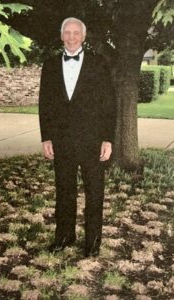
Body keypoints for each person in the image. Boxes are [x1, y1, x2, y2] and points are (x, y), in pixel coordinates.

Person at [39, 17, 116, 257]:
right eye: (67, 33)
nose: (71, 37)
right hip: (62, 140)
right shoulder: (50, 65)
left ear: (84, 36)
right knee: (64, 191)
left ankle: (92, 242)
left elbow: (109, 103)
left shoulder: (99, 63)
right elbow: (45, 104)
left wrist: (107, 138)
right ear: (61, 36)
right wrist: (46, 137)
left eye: (76, 33)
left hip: (93, 140)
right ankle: (64, 236)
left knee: (94, 192)